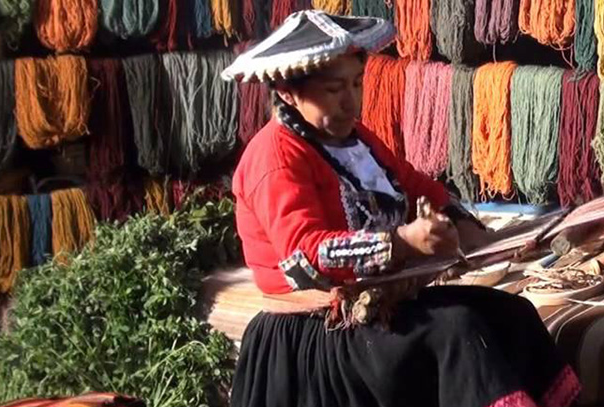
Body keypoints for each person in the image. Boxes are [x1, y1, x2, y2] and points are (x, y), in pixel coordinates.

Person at [222, 10, 580, 407]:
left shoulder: (356, 141)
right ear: (288, 92)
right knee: (457, 330)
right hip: (317, 333)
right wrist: (403, 243)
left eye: (357, 84)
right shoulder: (274, 156)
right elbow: (305, 256)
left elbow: (417, 187)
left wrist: (473, 233)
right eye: (333, 89)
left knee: (513, 314)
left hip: (376, 307)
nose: (350, 103)